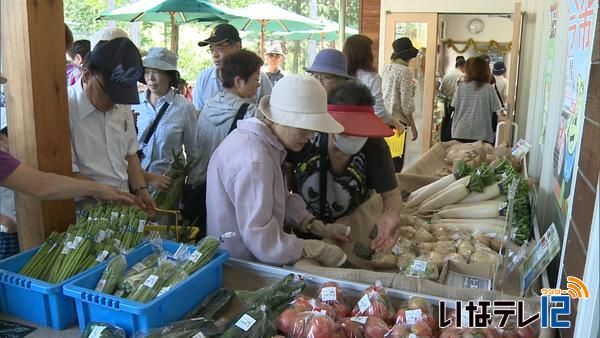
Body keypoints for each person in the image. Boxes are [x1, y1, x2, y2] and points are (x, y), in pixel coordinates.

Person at [206, 75, 350, 266]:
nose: (310, 135)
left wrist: (316, 226)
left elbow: (278, 198)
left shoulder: (266, 145)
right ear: (278, 119)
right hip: (241, 266)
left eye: (313, 129)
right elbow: (263, 241)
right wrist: (314, 248)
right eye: (303, 128)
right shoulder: (254, 159)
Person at [289, 81, 402, 252]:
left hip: (350, 232)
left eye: (359, 132)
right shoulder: (306, 137)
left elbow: (391, 193)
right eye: (345, 131)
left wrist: (390, 214)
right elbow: (286, 176)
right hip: (304, 229)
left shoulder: (375, 145)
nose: (353, 137)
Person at [68, 37, 156, 211]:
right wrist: (101, 191)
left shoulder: (121, 103)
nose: (115, 102)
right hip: (86, 210)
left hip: (124, 204)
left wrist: (141, 190)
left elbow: (130, 154)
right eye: (110, 94)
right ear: (87, 75)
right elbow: (67, 171)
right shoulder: (65, 108)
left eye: (122, 95)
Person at [192, 50, 263, 231]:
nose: (258, 85)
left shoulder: (207, 108)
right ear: (239, 81)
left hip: (201, 190)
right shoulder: (250, 115)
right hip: (230, 196)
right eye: (256, 79)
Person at [133, 47, 198, 201]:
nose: (151, 78)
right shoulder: (134, 103)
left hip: (168, 188)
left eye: (157, 72)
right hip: (137, 182)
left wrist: (189, 186)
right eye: (147, 72)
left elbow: (192, 151)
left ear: (170, 76)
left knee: (163, 224)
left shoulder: (184, 107)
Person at [192, 24, 272, 111]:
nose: (215, 55)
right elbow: (198, 114)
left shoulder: (259, 78)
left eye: (220, 48)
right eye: (212, 49)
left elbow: (268, 113)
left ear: (237, 47)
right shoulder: (204, 79)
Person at [343, 35, 402, 130]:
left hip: (341, 129)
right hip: (364, 131)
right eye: (371, 50)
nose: (373, 53)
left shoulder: (340, 75)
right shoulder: (371, 78)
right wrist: (396, 123)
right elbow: (379, 112)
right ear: (365, 54)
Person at [382, 37, 419, 172]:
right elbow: (406, 105)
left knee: (385, 161)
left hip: (383, 120)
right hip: (397, 124)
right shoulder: (405, 72)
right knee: (395, 164)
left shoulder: (387, 68)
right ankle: (394, 191)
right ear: (408, 56)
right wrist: (414, 128)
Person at [450, 57, 502, 145]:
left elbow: (453, 108)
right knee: (480, 158)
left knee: (460, 158)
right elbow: (495, 113)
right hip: (482, 134)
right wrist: (494, 132)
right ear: (486, 71)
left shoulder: (460, 87)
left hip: (460, 132)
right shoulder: (489, 89)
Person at [440, 56, 466, 141]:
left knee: (445, 122)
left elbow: (441, 89)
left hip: (445, 102)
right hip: (456, 103)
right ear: (463, 66)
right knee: (453, 123)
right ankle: (451, 139)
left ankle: (443, 139)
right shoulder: (462, 76)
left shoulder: (447, 75)